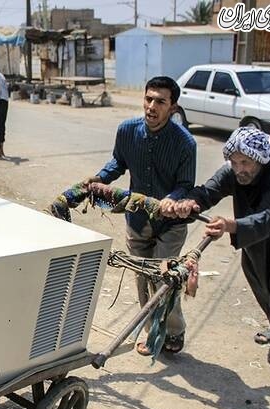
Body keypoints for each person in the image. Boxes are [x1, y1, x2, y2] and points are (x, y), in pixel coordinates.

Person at [161, 127, 270, 386]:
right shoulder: (232, 172)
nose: (239, 169)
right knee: (262, 290)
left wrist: (229, 225)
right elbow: (207, 192)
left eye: (245, 163)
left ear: (260, 159)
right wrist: (190, 203)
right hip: (257, 241)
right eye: (234, 163)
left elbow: (267, 219)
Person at [87, 76, 197, 355]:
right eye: (148, 99)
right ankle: (150, 332)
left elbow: (185, 185)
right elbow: (118, 163)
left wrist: (170, 201)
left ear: (173, 108)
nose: (152, 106)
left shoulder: (185, 143)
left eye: (160, 101)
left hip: (171, 224)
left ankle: (173, 332)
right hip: (136, 221)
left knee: (164, 278)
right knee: (141, 276)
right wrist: (99, 179)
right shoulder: (127, 131)